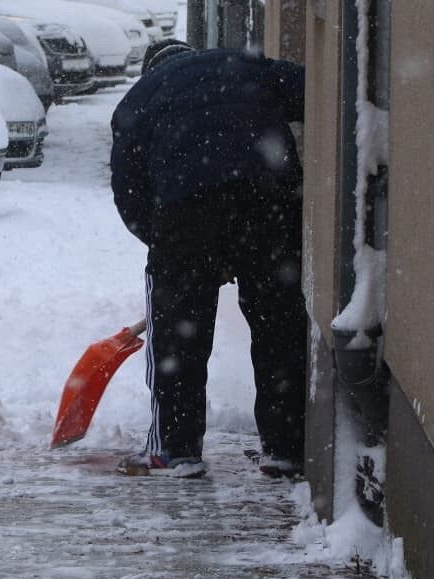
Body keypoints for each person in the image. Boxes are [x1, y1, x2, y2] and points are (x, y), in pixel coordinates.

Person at [109, 41, 308, 479]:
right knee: (278, 321)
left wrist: (171, 248)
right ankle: (286, 447)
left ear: (151, 70)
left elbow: (130, 195)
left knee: (179, 330)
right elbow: (315, 90)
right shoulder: (242, 63)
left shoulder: (138, 99)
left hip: (184, 206)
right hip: (269, 196)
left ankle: (176, 451)